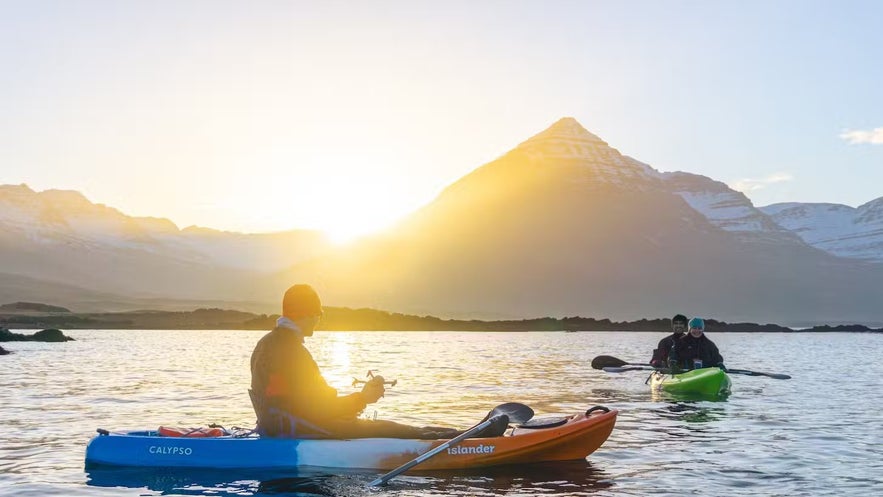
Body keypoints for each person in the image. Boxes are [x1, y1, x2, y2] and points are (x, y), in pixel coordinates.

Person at [250, 284, 505, 440]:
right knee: (406, 432)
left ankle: (475, 431)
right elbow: (321, 409)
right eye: (319, 313)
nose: (320, 318)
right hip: (309, 429)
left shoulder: (266, 344)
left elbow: (302, 403)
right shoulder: (294, 353)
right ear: (307, 313)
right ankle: (479, 438)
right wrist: (364, 398)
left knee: (407, 429)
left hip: (281, 426)